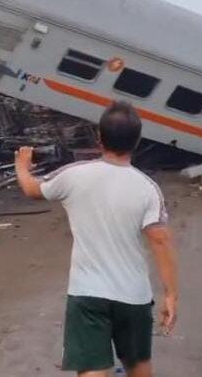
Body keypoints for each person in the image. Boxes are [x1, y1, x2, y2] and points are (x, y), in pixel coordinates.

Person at [15, 101, 178, 377]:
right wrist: (171, 295)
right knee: (138, 367)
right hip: (133, 296)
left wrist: (22, 166)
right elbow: (160, 240)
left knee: (92, 369)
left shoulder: (74, 175)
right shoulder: (148, 188)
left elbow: (32, 189)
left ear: (99, 138)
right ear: (137, 142)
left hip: (87, 293)